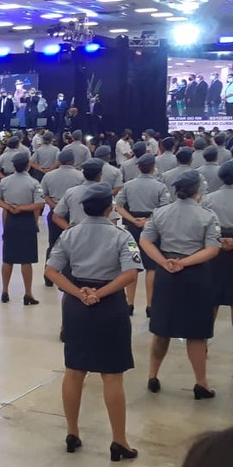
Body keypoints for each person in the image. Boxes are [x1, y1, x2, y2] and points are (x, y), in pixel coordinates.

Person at [45, 184, 142, 462]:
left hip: (77, 305)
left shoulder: (69, 234)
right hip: (109, 304)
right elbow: (130, 273)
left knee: (74, 370)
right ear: (109, 208)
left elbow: (51, 271)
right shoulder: (121, 236)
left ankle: (73, 432)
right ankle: (119, 441)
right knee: (112, 374)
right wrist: (99, 293)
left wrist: (78, 293)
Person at [141, 171, 221, 399]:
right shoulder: (207, 216)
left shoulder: (160, 213)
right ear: (198, 190)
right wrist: (184, 262)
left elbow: (145, 240)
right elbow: (212, 249)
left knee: (161, 329)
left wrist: (164, 262)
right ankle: (201, 383)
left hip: (166, 273)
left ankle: (153, 376)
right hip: (196, 274)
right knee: (196, 332)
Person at [116, 154, 171, 317]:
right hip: (153, 228)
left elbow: (118, 206)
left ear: (138, 167)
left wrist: (133, 219)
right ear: (153, 166)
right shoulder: (160, 186)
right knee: (151, 267)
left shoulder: (128, 185)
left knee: (131, 264)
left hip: (132, 227)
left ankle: (129, 303)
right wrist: (148, 220)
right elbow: (164, 209)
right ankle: (150, 306)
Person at [0, 152, 45, 305]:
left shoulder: (5, 181)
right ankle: (28, 294)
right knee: (26, 260)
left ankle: (4, 291)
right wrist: (22, 208)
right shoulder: (34, 183)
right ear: (28, 165)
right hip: (27, 220)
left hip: (11, 221)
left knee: (8, 258)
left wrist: (9, 207)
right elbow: (40, 204)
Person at [41, 150, 85, 286]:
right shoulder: (80, 176)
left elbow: (44, 195)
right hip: (74, 213)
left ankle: (48, 277)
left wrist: (54, 205)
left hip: (55, 213)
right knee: (74, 245)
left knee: (53, 244)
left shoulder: (48, 176)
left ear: (59, 161)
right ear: (72, 161)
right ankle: (71, 276)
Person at [202, 161, 233, 325]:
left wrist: (217, 240)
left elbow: (200, 226)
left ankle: (203, 344)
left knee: (211, 298)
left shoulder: (207, 199)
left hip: (213, 249)